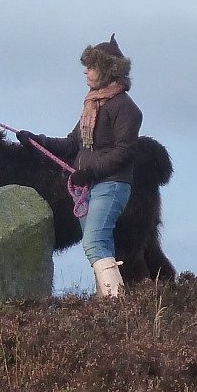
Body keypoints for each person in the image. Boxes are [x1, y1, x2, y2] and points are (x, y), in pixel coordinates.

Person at [18, 35, 140, 298]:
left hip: (112, 185)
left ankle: (114, 301)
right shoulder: (92, 105)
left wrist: (90, 171)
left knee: (93, 242)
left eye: (91, 66)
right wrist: (36, 141)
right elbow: (73, 143)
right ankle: (109, 301)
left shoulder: (127, 109)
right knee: (101, 243)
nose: (85, 71)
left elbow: (125, 151)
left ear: (107, 70)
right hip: (92, 186)